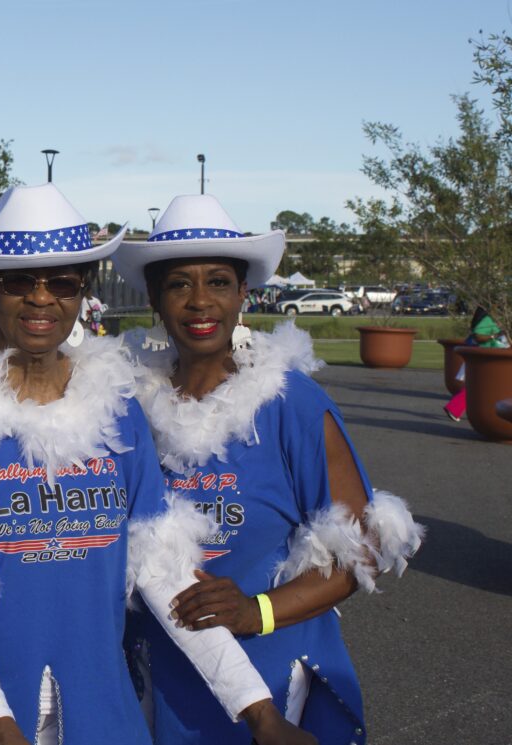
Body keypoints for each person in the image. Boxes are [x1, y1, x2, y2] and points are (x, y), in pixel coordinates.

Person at [0, 184, 313, 745]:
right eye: (20, 281)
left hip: (99, 707)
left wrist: (257, 709)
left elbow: (159, 569)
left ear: (81, 292)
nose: (42, 300)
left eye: (62, 282)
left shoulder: (116, 405)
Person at [113, 194, 424, 745]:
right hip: (163, 676)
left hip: (273, 674)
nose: (200, 301)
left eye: (218, 282)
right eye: (180, 284)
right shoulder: (132, 410)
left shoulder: (292, 404)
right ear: (157, 302)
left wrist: (254, 611)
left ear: (243, 297)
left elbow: (360, 550)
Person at [443, 307, 509, 422]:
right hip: (488, 357)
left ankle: (455, 408)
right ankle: (455, 408)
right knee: (479, 386)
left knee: (479, 386)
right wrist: (494, 336)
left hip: (489, 356)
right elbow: (478, 336)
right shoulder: (487, 320)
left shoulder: (490, 320)